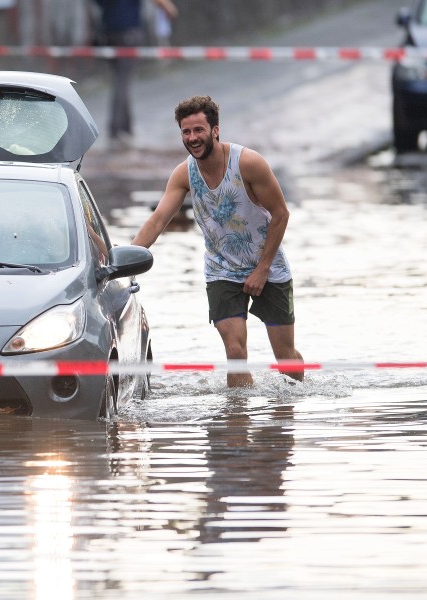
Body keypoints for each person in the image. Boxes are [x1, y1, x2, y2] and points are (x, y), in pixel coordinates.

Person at [131, 95, 303, 387]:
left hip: (268, 267)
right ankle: (238, 421)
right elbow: (159, 219)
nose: (193, 138)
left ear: (215, 130)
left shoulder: (248, 163)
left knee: (284, 355)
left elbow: (281, 214)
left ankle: (288, 415)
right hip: (221, 269)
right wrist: (127, 259)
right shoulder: (184, 173)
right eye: (186, 132)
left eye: (199, 130)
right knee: (235, 352)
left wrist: (261, 269)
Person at [94, 0, 178, 150]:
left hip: (109, 32)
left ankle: (126, 128)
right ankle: (116, 130)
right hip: (128, 31)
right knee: (122, 83)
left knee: (121, 81)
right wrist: (168, 7)